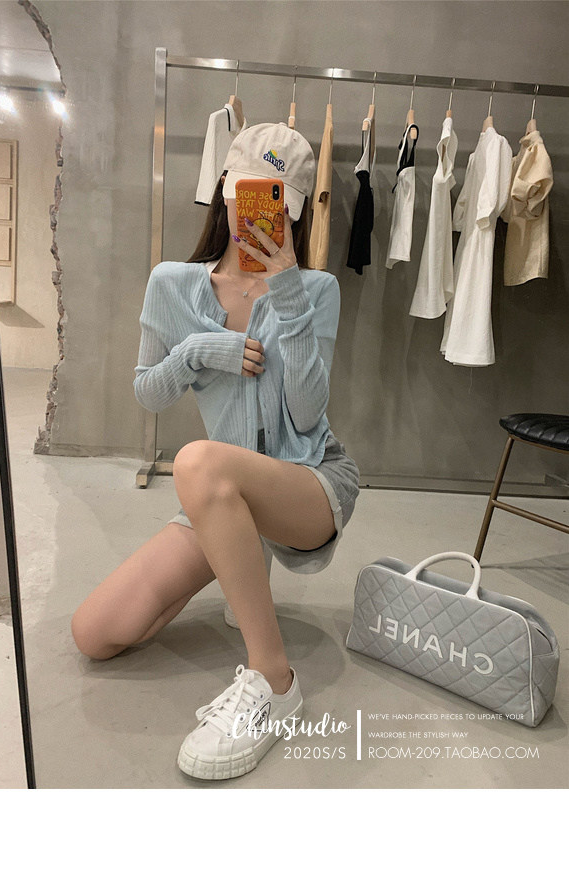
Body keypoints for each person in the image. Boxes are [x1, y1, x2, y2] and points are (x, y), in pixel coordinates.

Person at [70, 122, 360, 781]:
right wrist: (199, 351)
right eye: (251, 195)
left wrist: (288, 289)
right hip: (221, 492)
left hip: (306, 480)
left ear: (294, 211)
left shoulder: (317, 290)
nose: (261, 216)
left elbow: (308, 414)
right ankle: (238, 562)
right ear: (225, 188)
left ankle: (275, 680)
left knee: (197, 460)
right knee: (97, 631)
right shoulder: (172, 284)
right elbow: (148, 392)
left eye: (279, 204)